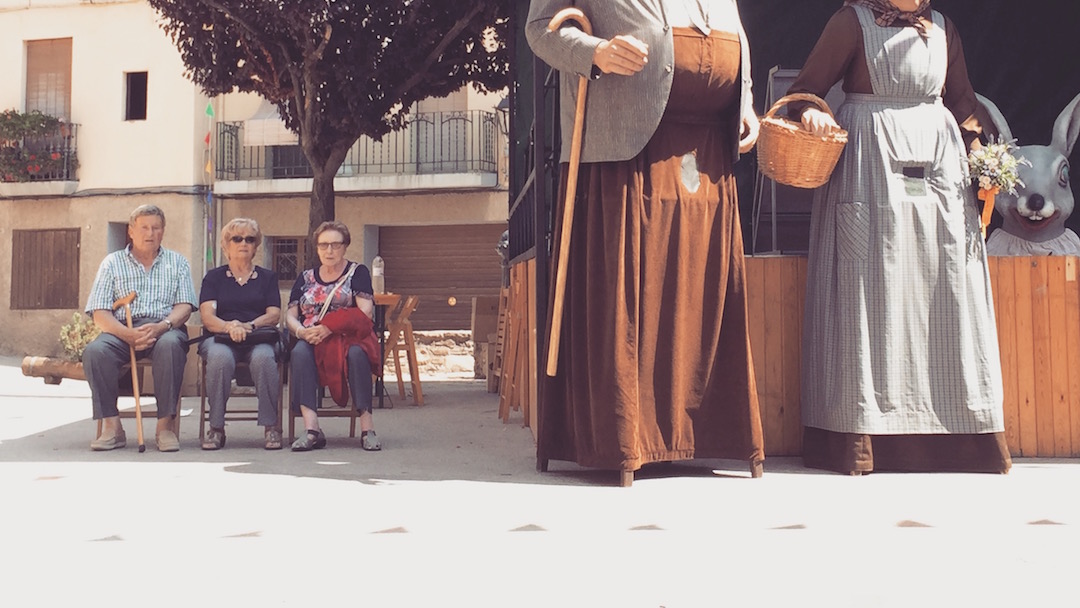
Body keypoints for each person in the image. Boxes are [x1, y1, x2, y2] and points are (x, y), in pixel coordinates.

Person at [526, 0, 765, 483]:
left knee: (702, 296)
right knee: (631, 297)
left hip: (708, 154)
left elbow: (734, 36)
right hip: (621, 151)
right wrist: (595, 51)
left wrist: (744, 103)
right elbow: (540, 29)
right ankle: (624, 440)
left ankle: (706, 435)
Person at [789, 0, 1011, 474]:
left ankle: (958, 434)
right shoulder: (850, 23)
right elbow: (804, 91)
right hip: (867, 167)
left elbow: (964, 103)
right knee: (869, 290)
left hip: (940, 170)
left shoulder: (944, 28)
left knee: (947, 285)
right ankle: (862, 431)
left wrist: (981, 161)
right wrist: (811, 112)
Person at [83, 204, 198, 452]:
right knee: (95, 352)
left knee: (171, 347)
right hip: (122, 329)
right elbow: (100, 312)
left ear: (163, 231)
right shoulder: (112, 263)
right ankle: (112, 427)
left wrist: (162, 326)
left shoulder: (178, 262)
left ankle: (165, 427)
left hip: (164, 328)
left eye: (156, 228)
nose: (150, 233)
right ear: (131, 231)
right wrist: (127, 334)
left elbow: (185, 306)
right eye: (144, 227)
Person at [284, 221, 381, 452]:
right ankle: (312, 429)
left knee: (357, 355)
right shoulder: (305, 277)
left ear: (345, 246)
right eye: (324, 245)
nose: (329, 251)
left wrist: (329, 328)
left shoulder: (357, 273)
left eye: (336, 245)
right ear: (317, 248)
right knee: (299, 352)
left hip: (347, 338)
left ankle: (367, 428)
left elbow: (365, 312)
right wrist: (301, 332)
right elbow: (290, 315)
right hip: (311, 338)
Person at [197, 218, 282, 450]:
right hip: (220, 337)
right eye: (237, 238)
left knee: (264, 358)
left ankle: (271, 426)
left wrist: (249, 326)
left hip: (258, 337)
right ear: (226, 245)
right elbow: (207, 317)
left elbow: (274, 314)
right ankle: (216, 428)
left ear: (256, 246)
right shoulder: (213, 278)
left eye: (250, 239)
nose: (243, 243)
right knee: (219, 358)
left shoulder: (267, 277)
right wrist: (229, 327)